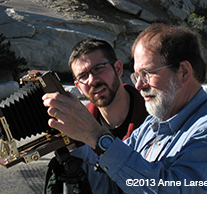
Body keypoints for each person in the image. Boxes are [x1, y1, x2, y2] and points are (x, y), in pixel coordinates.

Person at [42, 24, 207, 194]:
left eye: (147, 73)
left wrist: (95, 135)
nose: (138, 85)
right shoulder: (153, 124)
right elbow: (112, 185)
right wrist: (75, 144)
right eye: (137, 75)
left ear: (183, 72)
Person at [43, 38, 148, 194]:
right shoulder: (76, 129)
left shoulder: (154, 119)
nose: (92, 80)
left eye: (98, 69)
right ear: (78, 87)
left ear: (118, 69)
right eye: (83, 76)